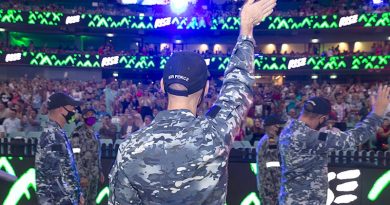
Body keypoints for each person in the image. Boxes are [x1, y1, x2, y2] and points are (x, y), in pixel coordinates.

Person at [108, 0, 277, 204]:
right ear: (205, 89)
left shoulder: (130, 147)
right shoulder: (216, 132)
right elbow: (238, 84)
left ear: (162, 85)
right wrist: (246, 28)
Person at [278, 85, 390, 205]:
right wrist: (377, 114)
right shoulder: (310, 137)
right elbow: (352, 138)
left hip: (288, 198)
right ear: (322, 119)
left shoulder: (288, 129)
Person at [35, 93, 84, 205]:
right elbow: (56, 176)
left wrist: (77, 194)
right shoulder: (52, 135)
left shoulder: (58, 133)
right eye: (72, 108)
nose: (75, 111)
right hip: (57, 200)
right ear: (62, 109)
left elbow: (66, 169)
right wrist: (71, 200)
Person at [71, 108, 104, 205]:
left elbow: (97, 154)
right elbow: (75, 155)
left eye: (92, 114)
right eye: (87, 115)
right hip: (84, 174)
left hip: (94, 174)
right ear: (82, 117)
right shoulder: (77, 133)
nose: (90, 117)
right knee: (82, 201)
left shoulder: (95, 133)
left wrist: (100, 171)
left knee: (92, 201)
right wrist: (81, 176)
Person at [256, 115, 286, 205]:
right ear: (272, 127)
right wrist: (279, 186)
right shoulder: (271, 140)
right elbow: (273, 164)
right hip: (271, 185)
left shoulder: (266, 139)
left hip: (266, 184)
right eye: (278, 126)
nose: (279, 128)